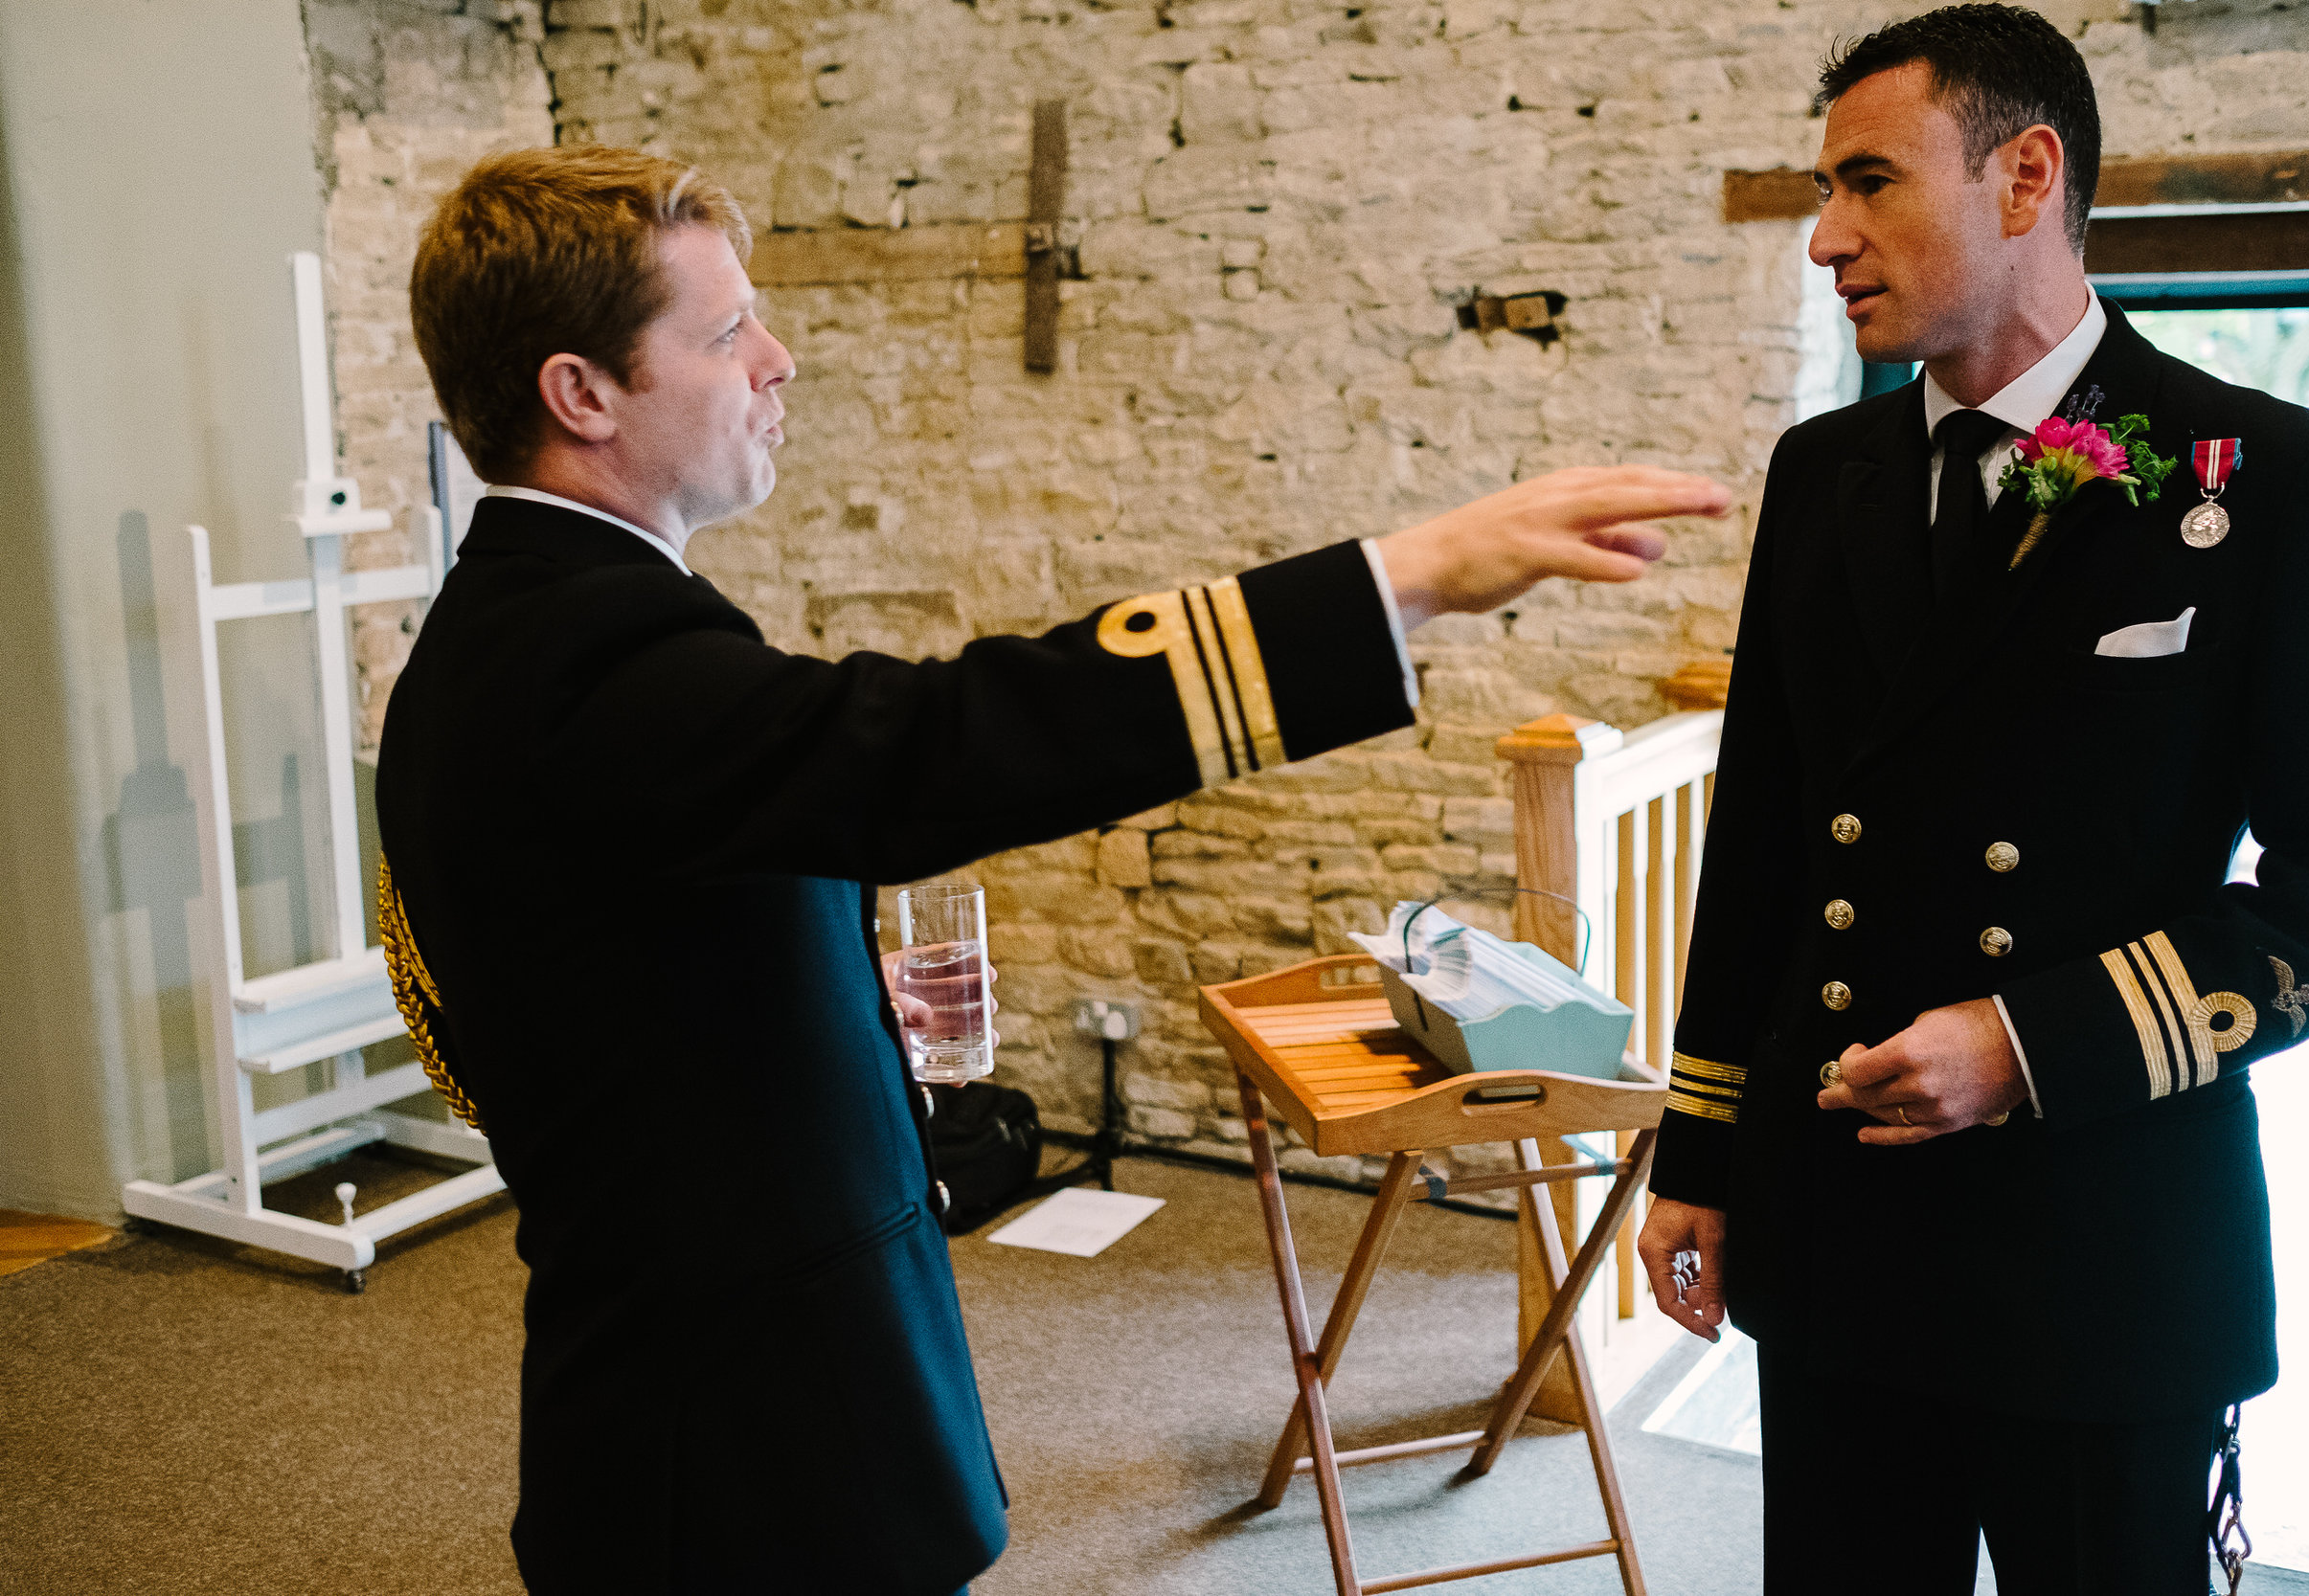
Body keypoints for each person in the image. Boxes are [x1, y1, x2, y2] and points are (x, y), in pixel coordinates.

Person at [374, 145, 1730, 1595]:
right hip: (738, 1446)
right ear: (580, 394)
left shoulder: (535, 624)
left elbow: (577, 974)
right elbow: (924, 745)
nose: (778, 359)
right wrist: (1394, 581)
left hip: (752, 1374)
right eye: (723, 333)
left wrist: (780, 982)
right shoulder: (579, 656)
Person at [1634, 7, 2309, 1592]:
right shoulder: (1826, 470)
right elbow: (1767, 835)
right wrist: (1699, 1147)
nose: (1827, 235)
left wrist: (2029, 1043)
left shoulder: (2258, 473)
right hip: (1839, 1228)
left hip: (2103, 1248)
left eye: (1868, 182)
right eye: (1821, 190)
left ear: (2027, 174)